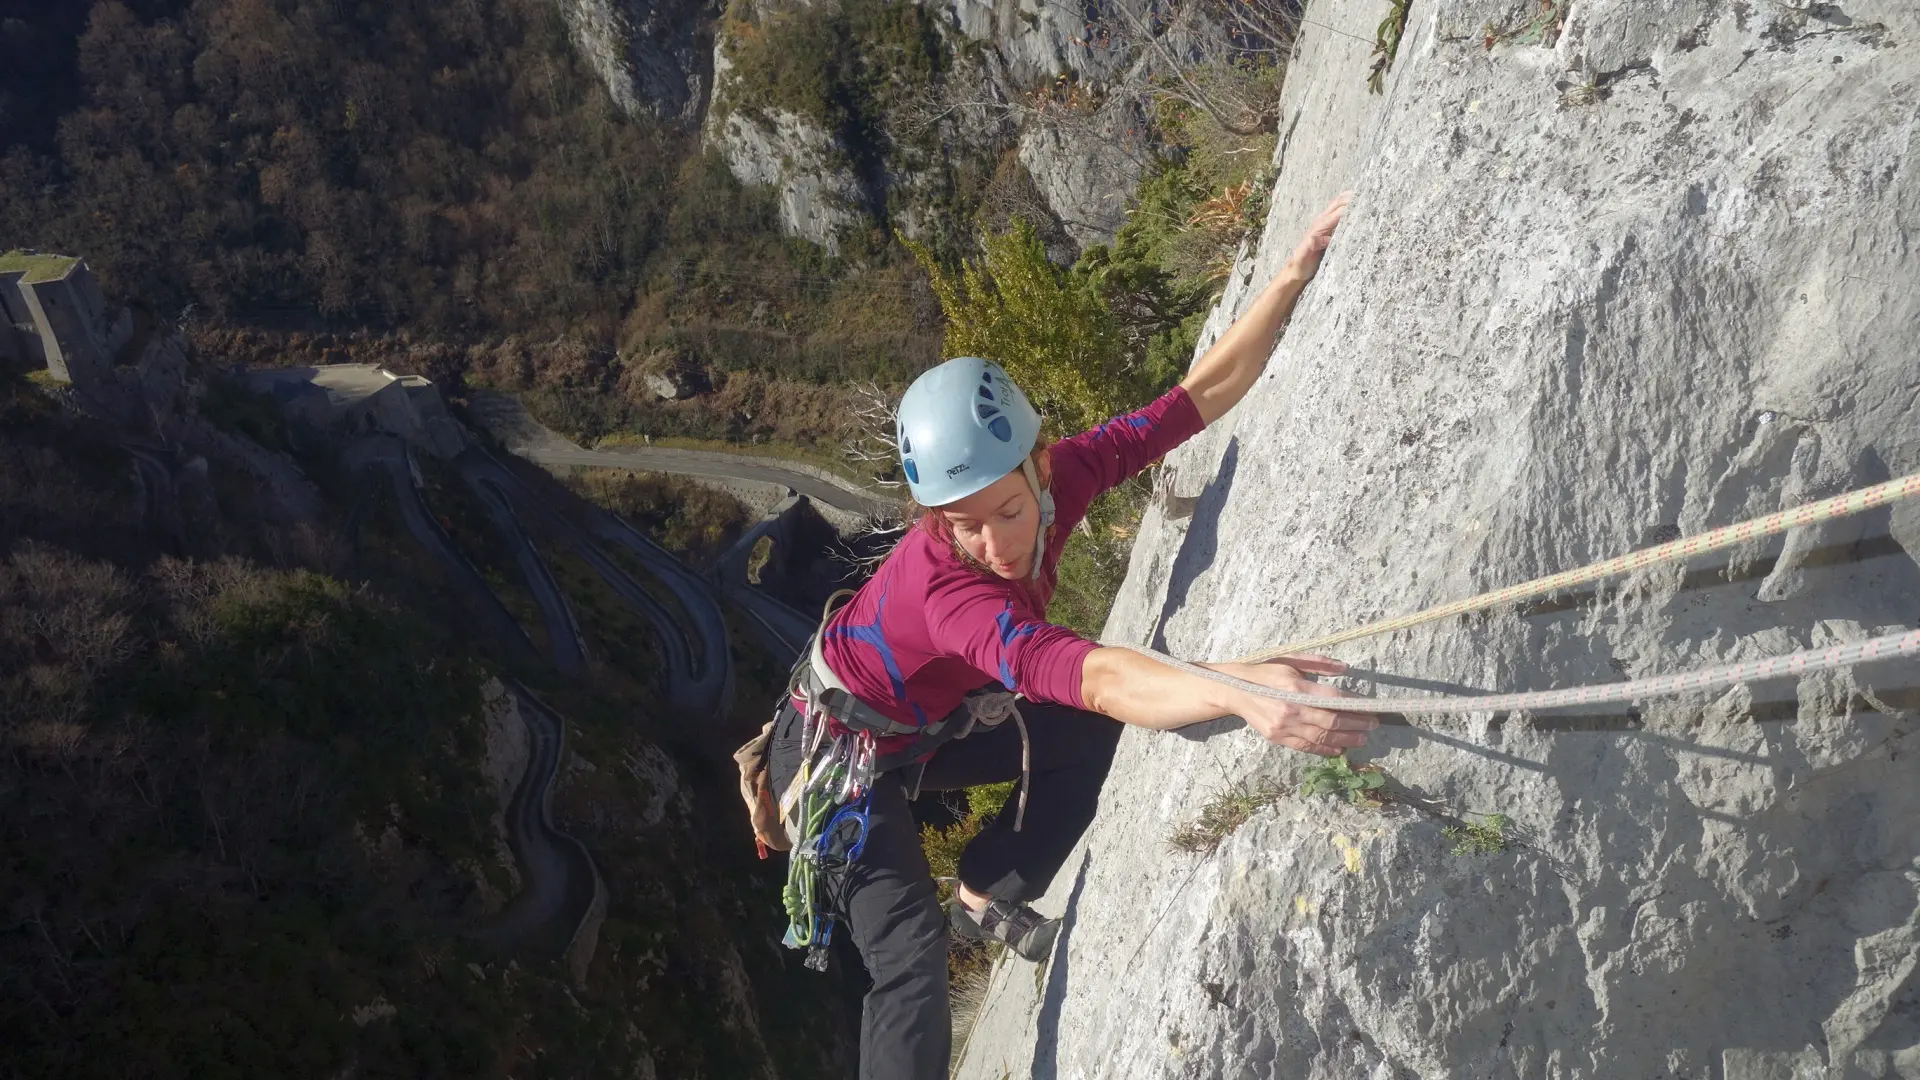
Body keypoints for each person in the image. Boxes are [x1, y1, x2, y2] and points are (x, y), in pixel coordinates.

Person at [763, 194, 1369, 1079]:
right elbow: (1080, 672)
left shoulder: (1067, 473)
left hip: (924, 725)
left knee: (1089, 745)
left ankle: (987, 889)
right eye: (961, 523)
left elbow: (1195, 401)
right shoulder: (950, 592)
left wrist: (1293, 270)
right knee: (906, 957)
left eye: (1007, 511)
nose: (992, 543)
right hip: (830, 752)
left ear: (1040, 467)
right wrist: (1234, 688)